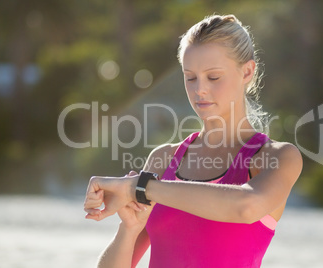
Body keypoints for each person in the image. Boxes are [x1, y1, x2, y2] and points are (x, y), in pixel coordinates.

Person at [84, 14, 302, 268]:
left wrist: (141, 187)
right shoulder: (163, 160)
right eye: (190, 77)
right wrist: (129, 228)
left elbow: (247, 206)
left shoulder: (276, 157)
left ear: (247, 72)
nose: (199, 89)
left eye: (213, 77)